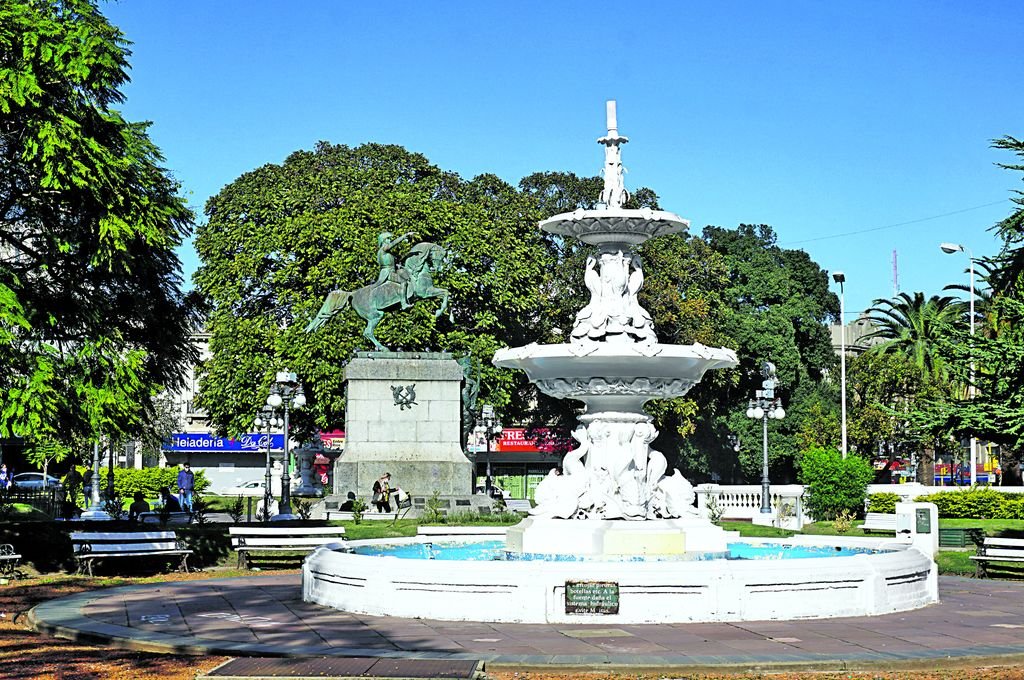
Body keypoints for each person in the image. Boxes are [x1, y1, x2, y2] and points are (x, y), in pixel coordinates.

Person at [374, 231, 415, 309]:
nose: (389, 240)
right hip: (388, 273)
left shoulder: (384, 252)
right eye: (388, 239)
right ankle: (403, 304)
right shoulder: (383, 249)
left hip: (390, 270)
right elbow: (392, 244)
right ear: (383, 240)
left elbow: (388, 263)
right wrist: (405, 235)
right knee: (403, 282)